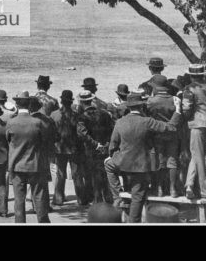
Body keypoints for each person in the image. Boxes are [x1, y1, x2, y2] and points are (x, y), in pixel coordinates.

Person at [104, 92, 183, 223]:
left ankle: (117, 197)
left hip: (122, 162)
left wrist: (111, 156)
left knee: (108, 165)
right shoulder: (147, 122)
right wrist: (178, 110)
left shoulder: (119, 122)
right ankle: (134, 222)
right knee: (137, 196)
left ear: (129, 107)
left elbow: (113, 145)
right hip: (140, 166)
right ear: (141, 107)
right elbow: (171, 127)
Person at [5, 91, 51, 223]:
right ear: (29, 104)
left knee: (19, 200)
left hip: (17, 165)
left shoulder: (11, 122)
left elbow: (8, 140)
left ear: (17, 104)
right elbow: (45, 140)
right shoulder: (37, 122)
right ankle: (43, 222)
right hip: (35, 164)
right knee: (39, 197)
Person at [182, 63, 206, 199]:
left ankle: (204, 190)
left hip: (197, 124)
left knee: (199, 157)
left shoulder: (189, 89)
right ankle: (189, 184)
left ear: (191, 76)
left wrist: (186, 119)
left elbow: (186, 108)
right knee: (196, 155)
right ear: (203, 75)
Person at [76, 89, 115, 204]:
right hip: (105, 148)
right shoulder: (104, 114)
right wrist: (107, 144)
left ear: (82, 102)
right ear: (92, 100)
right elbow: (112, 130)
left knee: (94, 176)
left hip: (91, 150)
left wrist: (95, 144)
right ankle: (109, 198)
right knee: (106, 173)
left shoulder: (82, 117)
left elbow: (82, 134)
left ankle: (98, 201)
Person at [147, 75, 181, 197]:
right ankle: (173, 189)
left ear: (155, 87)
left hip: (157, 134)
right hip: (172, 134)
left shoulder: (151, 101)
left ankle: (160, 189)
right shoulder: (174, 99)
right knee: (172, 161)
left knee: (159, 161)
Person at [51, 90, 84, 206]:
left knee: (60, 174)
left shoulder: (54, 115)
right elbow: (80, 133)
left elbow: (52, 133)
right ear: (71, 102)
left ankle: (58, 198)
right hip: (74, 148)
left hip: (59, 148)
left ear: (61, 101)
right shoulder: (76, 115)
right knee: (77, 174)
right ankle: (81, 198)